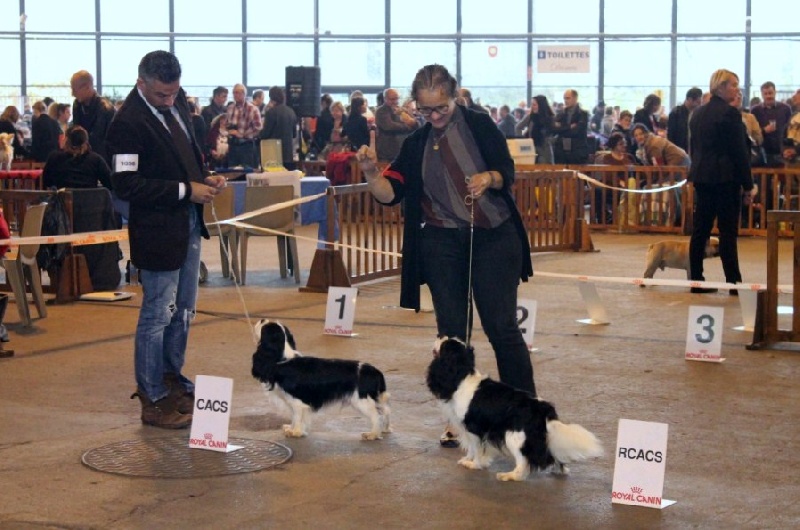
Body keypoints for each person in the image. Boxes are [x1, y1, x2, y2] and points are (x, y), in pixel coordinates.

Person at [355, 64, 536, 447]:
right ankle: (459, 416)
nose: (434, 117)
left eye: (441, 109)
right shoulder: (416, 142)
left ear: (455, 97)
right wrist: (372, 173)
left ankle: (527, 414)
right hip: (441, 241)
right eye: (425, 111)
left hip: (492, 237)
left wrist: (489, 178)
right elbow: (391, 193)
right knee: (451, 336)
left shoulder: (480, 125)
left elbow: (507, 171)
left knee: (501, 327)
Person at [105, 50, 227, 428]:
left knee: (185, 309)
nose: (170, 101)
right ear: (141, 83)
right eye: (161, 95)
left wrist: (204, 177)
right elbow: (125, 185)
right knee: (158, 313)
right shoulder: (126, 123)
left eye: (174, 94)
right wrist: (183, 191)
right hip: (157, 230)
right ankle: (152, 395)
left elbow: (187, 155)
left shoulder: (178, 104)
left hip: (188, 224)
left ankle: (172, 377)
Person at [687, 69, 755, 294]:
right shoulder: (730, 114)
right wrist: (748, 184)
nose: (737, 89)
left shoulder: (697, 114)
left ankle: (695, 280)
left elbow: (694, 148)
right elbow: (739, 153)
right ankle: (733, 283)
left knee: (700, 230)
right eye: (734, 85)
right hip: (726, 180)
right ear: (722, 87)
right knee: (727, 233)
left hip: (702, 178)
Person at [42, 125, 112, 189]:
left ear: (66, 140)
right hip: (89, 201)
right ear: (86, 142)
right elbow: (110, 184)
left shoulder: (54, 158)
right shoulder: (96, 160)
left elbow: (47, 182)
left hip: (64, 201)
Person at [70, 70, 115, 162]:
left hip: (103, 161)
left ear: (87, 87)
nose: (73, 94)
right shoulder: (77, 105)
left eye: (75, 89)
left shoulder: (105, 108)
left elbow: (97, 140)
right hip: (85, 157)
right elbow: (76, 133)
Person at [374, 88, 419, 162]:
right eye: (392, 99)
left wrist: (411, 121)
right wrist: (407, 127)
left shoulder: (401, 110)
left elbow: (414, 122)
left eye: (397, 99)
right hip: (386, 152)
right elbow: (389, 126)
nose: (395, 102)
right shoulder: (381, 111)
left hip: (400, 150)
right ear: (385, 99)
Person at [260, 86, 297, 169]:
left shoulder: (271, 112)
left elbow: (265, 134)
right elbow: (294, 134)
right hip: (288, 153)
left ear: (271, 97)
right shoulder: (291, 112)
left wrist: (258, 133)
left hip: (273, 153)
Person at [225, 83, 262, 168]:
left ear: (243, 94)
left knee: (247, 172)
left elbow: (258, 128)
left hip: (247, 146)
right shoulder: (230, 108)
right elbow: (227, 124)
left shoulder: (253, 109)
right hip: (233, 146)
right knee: (232, 172)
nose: (235, 95)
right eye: (234, 93)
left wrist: (241, 134)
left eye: (237, 92)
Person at [552, 89, 590, 164]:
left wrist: (561, 128)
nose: (565, 101)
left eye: (568, 98)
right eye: (564, 98)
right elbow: (554, 130)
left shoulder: (583, 114)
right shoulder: (561, 114)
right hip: (561, 152)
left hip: (577, 152)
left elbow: (576, 132)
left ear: (575, 98)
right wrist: (569, 127)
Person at [515, 95, 555, 164]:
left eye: (534, 105)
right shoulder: (531, 116)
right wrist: (521, 140)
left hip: (545, 150)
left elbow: (554, 132)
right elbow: (518, 127)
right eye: (532, 104)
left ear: (541, 105)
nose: (532, 107)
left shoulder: (550, 118)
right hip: (531, 148)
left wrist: (550, 140)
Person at [667, 87, 703, 151]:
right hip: (679, 150)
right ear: (689, 99)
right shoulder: (675, 114)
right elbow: (671, 136)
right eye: (698, 102)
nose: (700, 105)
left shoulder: (698, 114)